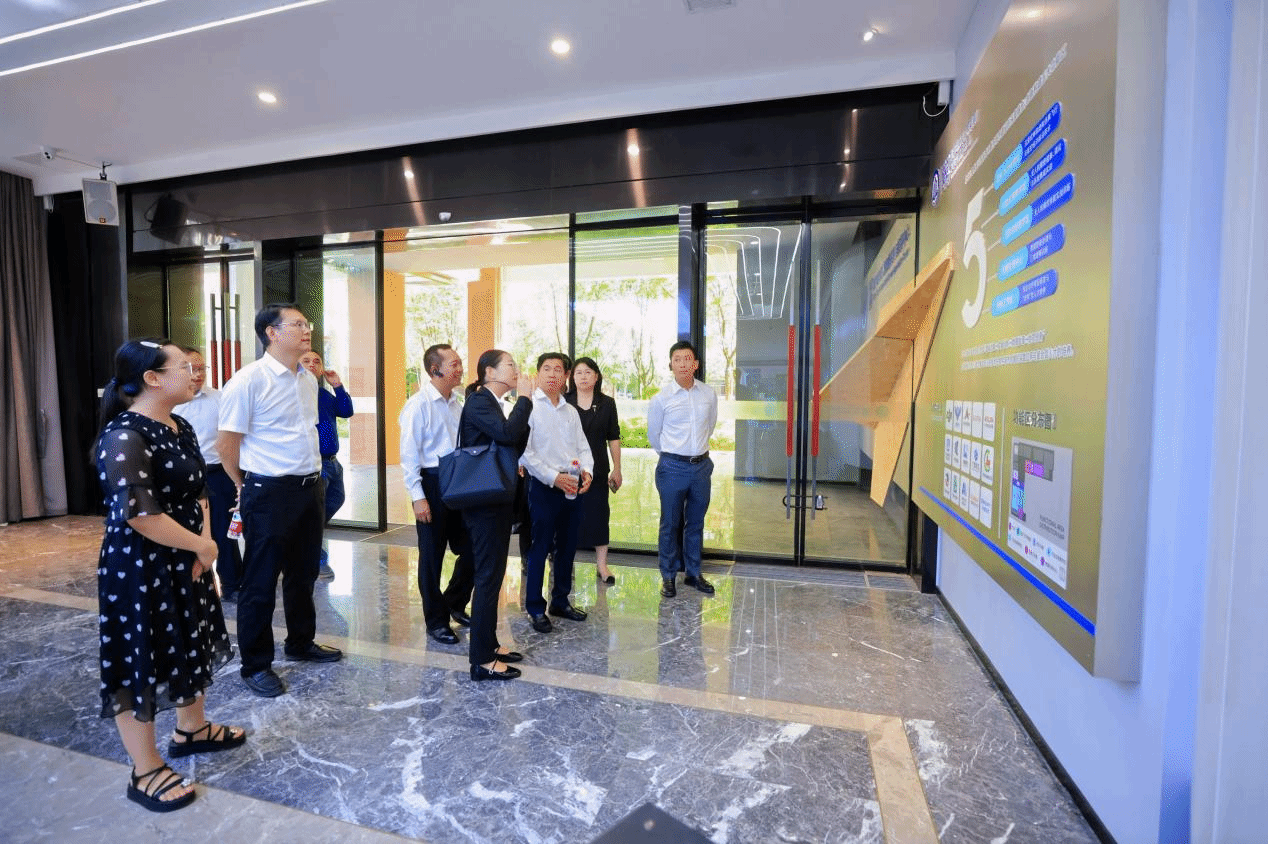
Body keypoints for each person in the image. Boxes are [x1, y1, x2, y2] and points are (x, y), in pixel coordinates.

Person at [93, 339, 245, 813]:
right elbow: (140, 515)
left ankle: (192, 728)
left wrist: (204, 542)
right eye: (184, 366)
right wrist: (200, 545)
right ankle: (145, 769)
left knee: (187, 640)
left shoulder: (179, 425)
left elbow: (200, 491)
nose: (195, 373)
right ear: (152, 379)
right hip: (141, 565)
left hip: (186, 557)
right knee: (141, 657)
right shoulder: (124, 435)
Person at [217, 304, 343, 699]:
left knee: (303, 574)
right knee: (260, 580)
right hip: (269, 491)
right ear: (271, 332)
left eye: (307, 323)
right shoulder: (248, 381)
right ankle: (256, 664)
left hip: (310, 487)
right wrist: (244, 485)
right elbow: (226, 444)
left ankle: (300, 642)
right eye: (298, 324)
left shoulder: (307, 378)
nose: (307, 330)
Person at [458, 349, 534, 681]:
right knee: (488, 577)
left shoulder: (494, 403)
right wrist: (525, 401)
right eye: (510, 365)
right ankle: (481, 660)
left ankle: (489, 643)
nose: (516, 370)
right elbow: (506, 435)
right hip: (484, 504)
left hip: (496, 499)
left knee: (494, 574)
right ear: (490, 372)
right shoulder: (479, 401)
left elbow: (513, 442)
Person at [399, 343, 475, 645]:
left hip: (458, 483)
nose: (460, 368)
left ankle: (454, 602)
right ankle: (436, 621)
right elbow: (409, 455)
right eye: (453, 364)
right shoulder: (417, 405)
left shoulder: (458, 404)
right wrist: (418, 496)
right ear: (435, 370)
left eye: (459, 363)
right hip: (431, 484)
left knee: (473, 549)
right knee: (431, 558)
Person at [521, 352, 593, 633]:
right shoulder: (529, 407)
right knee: (539, 548)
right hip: (544, 487)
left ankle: (560, 601)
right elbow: (525, 454)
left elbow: (583, 447)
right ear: (538, 373)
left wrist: (587, 471)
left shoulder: (570, 411)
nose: (552, 374)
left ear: (566, 376)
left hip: (572, 487)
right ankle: (535, 608)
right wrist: (554, 478)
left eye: (558, 370)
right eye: (547, 369)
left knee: (567, 547)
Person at [647, 340, 718, 597]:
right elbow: (654, 435)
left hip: (701, 467)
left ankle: (693, 573)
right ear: (671, 365)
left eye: (687, 359)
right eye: (677, 359)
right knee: (670, 523)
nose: (683, 364)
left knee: (696, 522)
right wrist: (673, 456)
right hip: (672, 467)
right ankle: (668, 576)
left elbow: (710, 425)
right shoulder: (661, 399)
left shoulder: (708, 394)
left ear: (695, 364)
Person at [172, 346, 243, 600]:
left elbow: (233, 437)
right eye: (191, 368)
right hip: (181, 477)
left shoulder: (219, 398)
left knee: (224, 531)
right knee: (185, 530)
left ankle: (232, 585)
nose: (198, 374)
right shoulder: (171, 404)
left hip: (216, 474)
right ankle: (187, 585)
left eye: (202, 368)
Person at [565, 356, 623, 584]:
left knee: (599, 517)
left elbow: (614, 437)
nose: (583, 377)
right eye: (578, 372)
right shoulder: (564, 401)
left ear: (596, 376)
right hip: (569, 470)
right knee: (567, 518)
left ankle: (602, 566)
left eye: (588, 372)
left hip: (597, 469)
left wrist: (617, 468)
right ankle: (565, 563)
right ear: (572, 377)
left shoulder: (607, 403)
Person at [299, 350, 354, 582]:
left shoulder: (324, 394)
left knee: (336, 500)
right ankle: (317, 560)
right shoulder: (295, 393)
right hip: (313, 463)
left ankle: (297, 540)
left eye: (317, 361)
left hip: (332, 462)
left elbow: (346, 411)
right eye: (306, 361)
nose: (312, 364)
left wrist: (338, 385)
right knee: (314, 515)